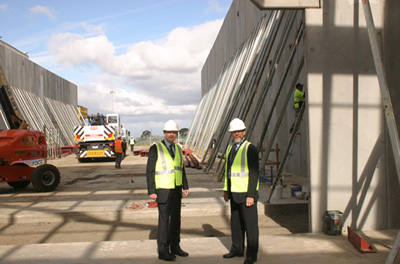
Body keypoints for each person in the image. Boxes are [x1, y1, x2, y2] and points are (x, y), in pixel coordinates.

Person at [146, 120, 189, 262]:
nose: (172, 134)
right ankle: (163, 251)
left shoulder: (177, 148)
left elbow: (181, 168)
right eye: (169, 132)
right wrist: (152, 190)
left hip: (176, 189)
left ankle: (175, 247)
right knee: (164, 221)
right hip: (163, 189)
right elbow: (150, 171)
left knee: (176, 219)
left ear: (176, 134)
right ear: (164, 133)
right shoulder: (156, 148)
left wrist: (185, 185)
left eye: (174, 132)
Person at [223, 118, 259, 264]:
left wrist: (251, 195)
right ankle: (237, 249)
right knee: (236, 224)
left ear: (244, 132)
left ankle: (251, 255)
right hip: (234, 193)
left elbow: (254, 173)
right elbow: (228, 171)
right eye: (234, 132)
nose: (237, 133)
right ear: (231, 133)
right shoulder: (230, 148)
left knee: (250, 227)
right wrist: (226, 190)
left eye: (239, 131)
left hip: (246, 195)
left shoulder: (250, 148)